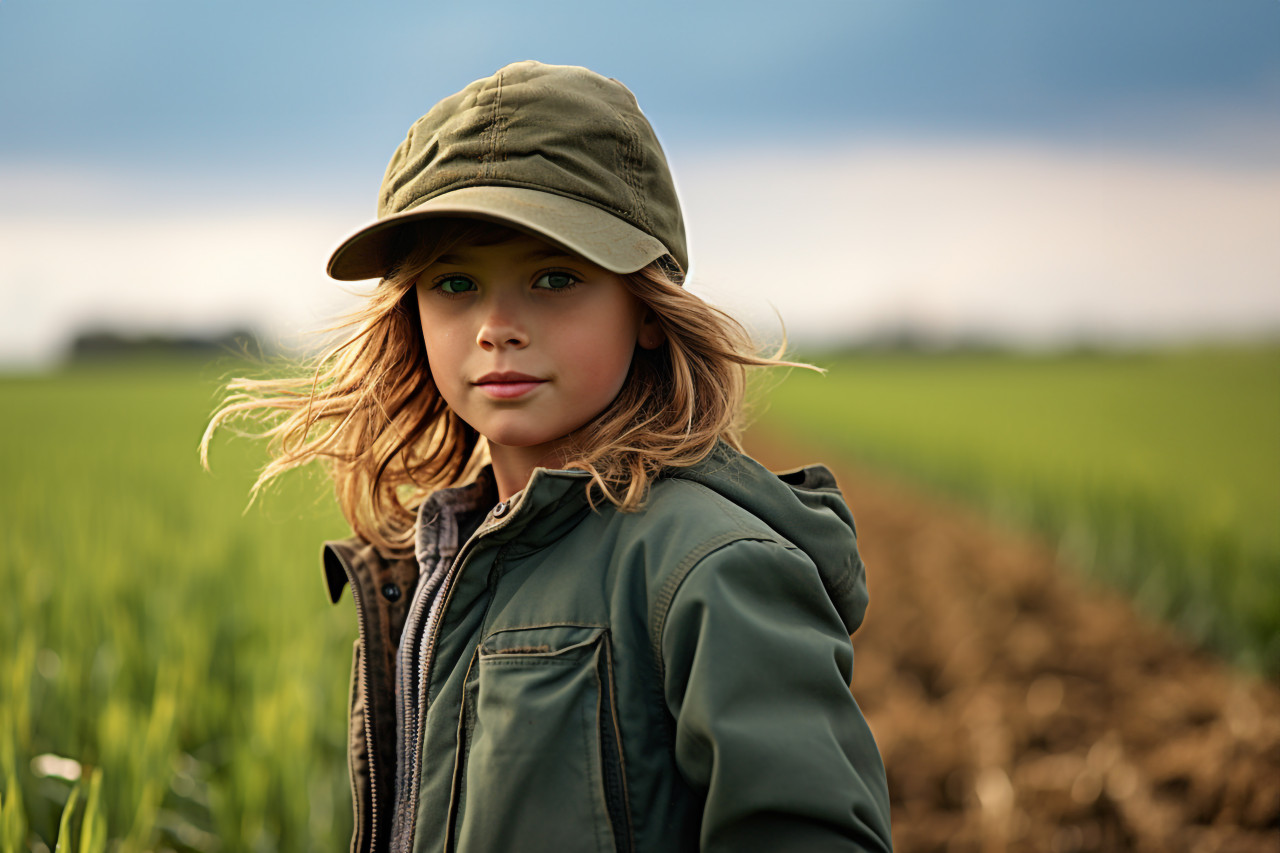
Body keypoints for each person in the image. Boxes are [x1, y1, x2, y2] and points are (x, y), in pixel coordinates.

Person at [204, 60, 892, 853]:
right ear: (412, 314)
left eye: (554, 276)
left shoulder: (712, 566)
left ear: (648, 309)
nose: (497, 324)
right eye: (455, 281)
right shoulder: (443, 555)